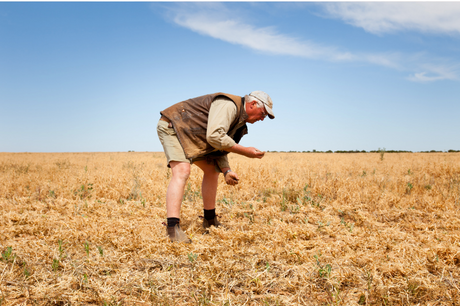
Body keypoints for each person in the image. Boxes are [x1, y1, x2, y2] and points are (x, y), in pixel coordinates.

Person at [157, 91, 275, 243]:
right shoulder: (229, 106)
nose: (262, 118)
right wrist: (245, 151)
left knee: (212, 169)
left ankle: (210, 220)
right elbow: (214, 136)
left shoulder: (239, 120)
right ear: (252, 104)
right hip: (174, 126)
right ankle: (173, 229)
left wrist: (226, 170)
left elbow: (219, 147)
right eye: (263, 113)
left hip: (193, 134)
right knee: (182, 170)